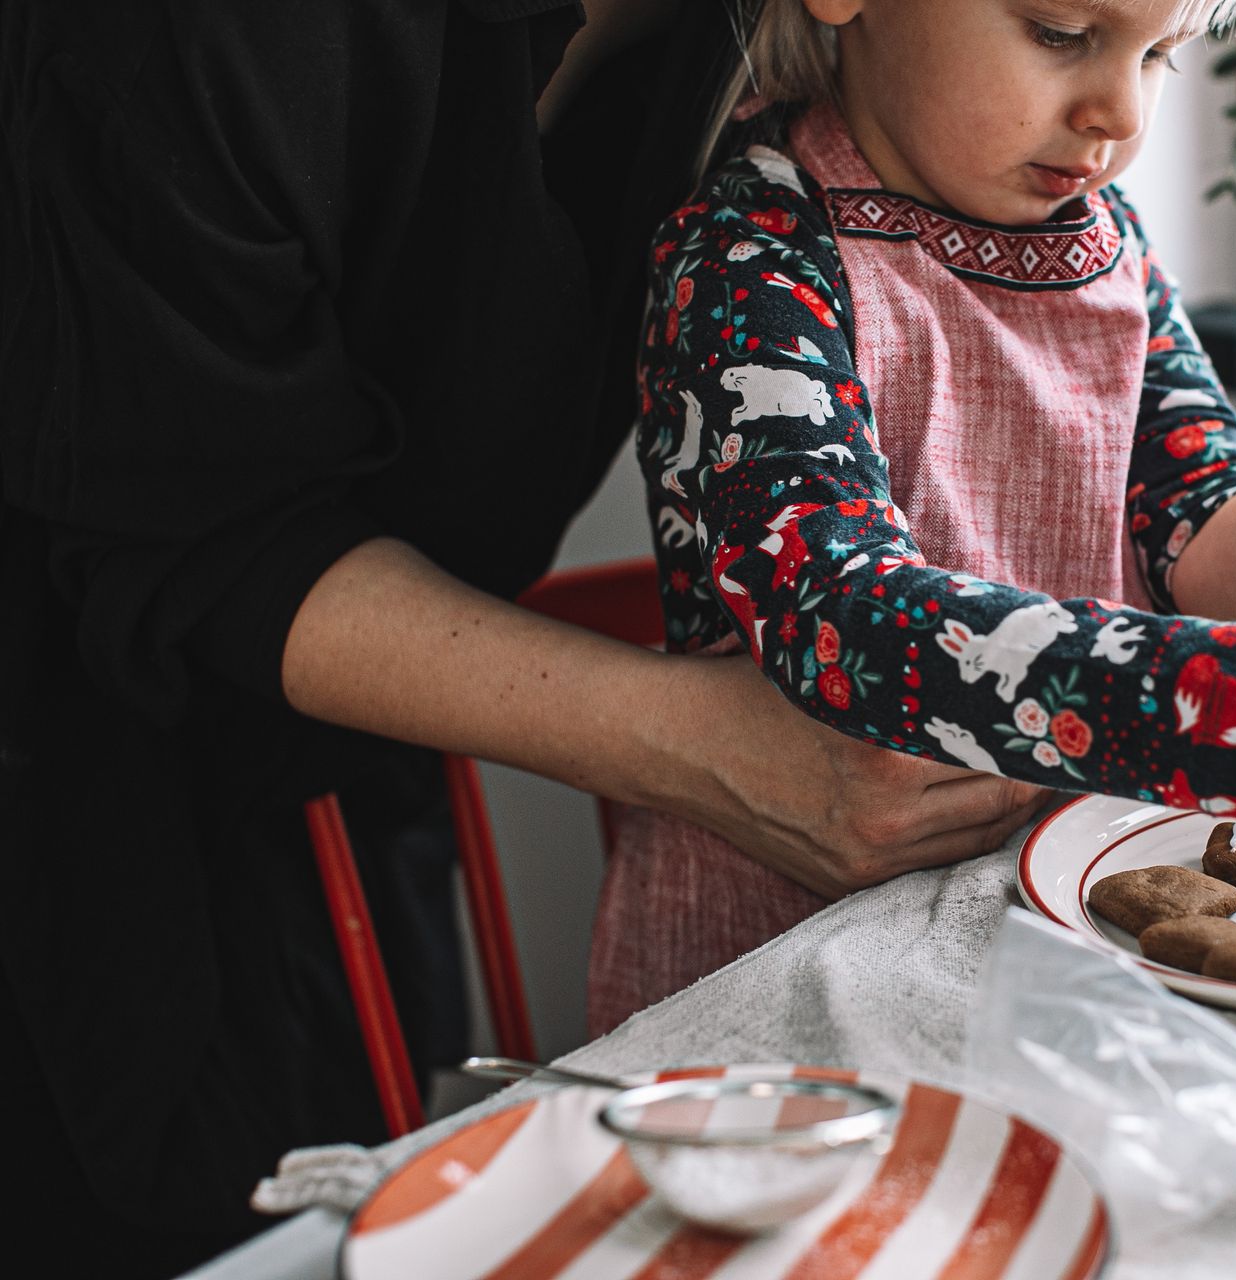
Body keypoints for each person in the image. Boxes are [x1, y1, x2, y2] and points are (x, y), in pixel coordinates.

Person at [0, 1, 1045, 1271]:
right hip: (77, 811)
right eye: (1051, 28)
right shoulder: (198, 41)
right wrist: (701, 743)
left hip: (357, 774)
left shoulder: (725, 43)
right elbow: (202, 542)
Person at [588, 0, 1236, 1025]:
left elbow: (1212, 541)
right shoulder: (748, 255)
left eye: (1158, 55)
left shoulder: (1108, 241)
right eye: (1061, 33)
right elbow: (847, 624)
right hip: (790, 961)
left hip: (1044, 930)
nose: (1122, 115)